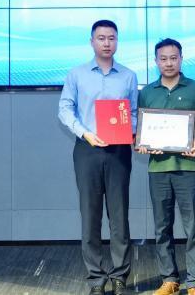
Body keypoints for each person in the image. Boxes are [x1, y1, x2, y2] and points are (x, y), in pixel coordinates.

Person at [58, 20, 138, 295]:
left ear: (117, 41)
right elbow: (65, 109)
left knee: (119, 216)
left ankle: (120, 277)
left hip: (118, 151)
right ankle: (95, 279)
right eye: (101, 38)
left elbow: (133, 113)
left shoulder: (128, 76)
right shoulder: (76, 74)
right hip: (87, 149)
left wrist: (131, 131)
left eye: (111, 38)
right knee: (90, 215)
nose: (106, 43)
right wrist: (85, 133)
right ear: (91, 41)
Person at [137, 38, 195, 295]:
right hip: (158, 170)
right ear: (156, 61)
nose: (168, 63)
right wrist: (144, 144)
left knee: (194, 228)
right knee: (162, 227)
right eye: (163, 59)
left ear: (181, 59)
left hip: (189, 168)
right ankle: (169, 280)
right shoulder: (147, 92)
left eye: (173, 58)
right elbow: (142, 129)